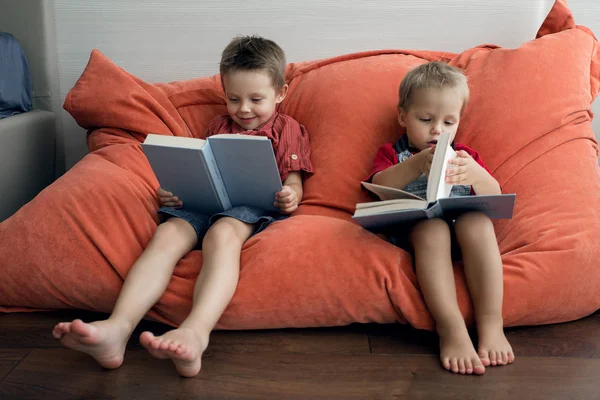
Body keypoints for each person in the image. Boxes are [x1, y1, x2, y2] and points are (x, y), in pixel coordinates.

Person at [52, 35, 313, 377]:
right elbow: (204, 166)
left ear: (281, 93)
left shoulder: (287, 129)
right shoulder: (218, 126)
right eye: (233, 99)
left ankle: (195, 332)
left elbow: (295, 180)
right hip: (204, 202)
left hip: (251, 207)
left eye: (256, 99)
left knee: (221, 234)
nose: (244, 109)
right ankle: (116, 328)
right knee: (167, 233)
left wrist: (290, 194)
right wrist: (173, 190)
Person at [367, 61, 514, 375]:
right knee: (432, 229)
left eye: (449, 122)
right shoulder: (393, 153)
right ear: (403, 116)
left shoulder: (465, 155)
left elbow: (496, 192)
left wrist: (475, 173)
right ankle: (451, 328)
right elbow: (378, 187)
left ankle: (491, 323)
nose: (437, 130)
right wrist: (416, 164)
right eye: (425, 119)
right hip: (419, 231)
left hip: (463, 230)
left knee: (478, 222)